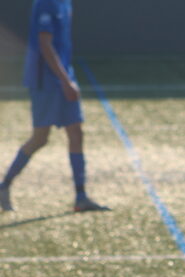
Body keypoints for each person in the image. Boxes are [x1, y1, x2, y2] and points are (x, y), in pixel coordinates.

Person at [0, 0, 108, 212]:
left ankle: (81, 197)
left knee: (76, 132)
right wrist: (64, 81)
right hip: (46, 81)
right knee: (40, 138)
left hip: (63, 75)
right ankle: (4, 186)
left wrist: (67, 77)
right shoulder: (45, 3)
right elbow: (44, 43)